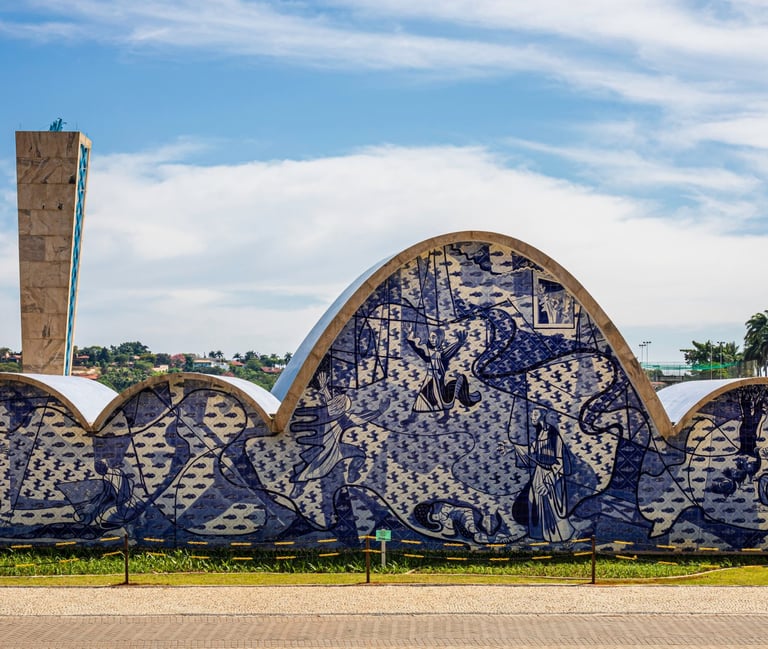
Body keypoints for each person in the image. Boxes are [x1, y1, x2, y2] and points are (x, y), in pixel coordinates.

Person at [506, 409, 574, 542]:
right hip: (539, 473)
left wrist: (548, 482)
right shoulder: (541, 432)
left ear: (542, 415)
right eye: (532, 414)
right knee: (533, 501)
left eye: (535, 414)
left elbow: (560, 462)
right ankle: (536, 536)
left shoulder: (553, 435)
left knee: (551, 506)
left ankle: (559, 537)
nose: (532, 417)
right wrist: (513, 447)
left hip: (551, 474)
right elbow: (532, 449)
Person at [405, 324, 480, 413]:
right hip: (429, 380)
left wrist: (459, 343)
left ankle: (444, 416)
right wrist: (410, 333)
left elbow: (447, 353)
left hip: (436, 381)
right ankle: (413, 417)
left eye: (434, 337)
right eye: (430, 337)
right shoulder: (429, 352)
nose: (431, 339)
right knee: (427, 400)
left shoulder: (442, 355)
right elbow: (418, 349)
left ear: (440, 338)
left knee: (438, 399)